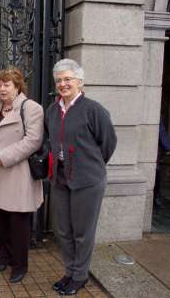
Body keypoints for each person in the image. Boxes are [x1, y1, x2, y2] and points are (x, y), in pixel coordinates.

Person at [46, 59, 117, 295]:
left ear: (79, 81)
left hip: (87, 180)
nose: (63, 84)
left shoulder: (93, 109)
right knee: (63, 230)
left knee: (82, 232)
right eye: (59, 80)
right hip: (61, 178)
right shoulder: (52, 110)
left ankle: (80, 275)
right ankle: (70, 271)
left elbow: (107, 143)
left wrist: (91, 166)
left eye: (68, 79)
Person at [0, 68, 44, 283]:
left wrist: (1, 158)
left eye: (7, 85)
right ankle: (4, 258)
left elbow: (33, 141)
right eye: (0, 85)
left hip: (18, 175)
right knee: (2, 221)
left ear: (17, 86)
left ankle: (19, 265)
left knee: (19, 225)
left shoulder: (31, 108)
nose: (2, 89)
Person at [153, 119, 170, 206]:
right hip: (153, 152)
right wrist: (167, 148)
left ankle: (156, 197)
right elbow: (161, 132)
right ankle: (156, 197)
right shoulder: (156, 117)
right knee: (156, 172)